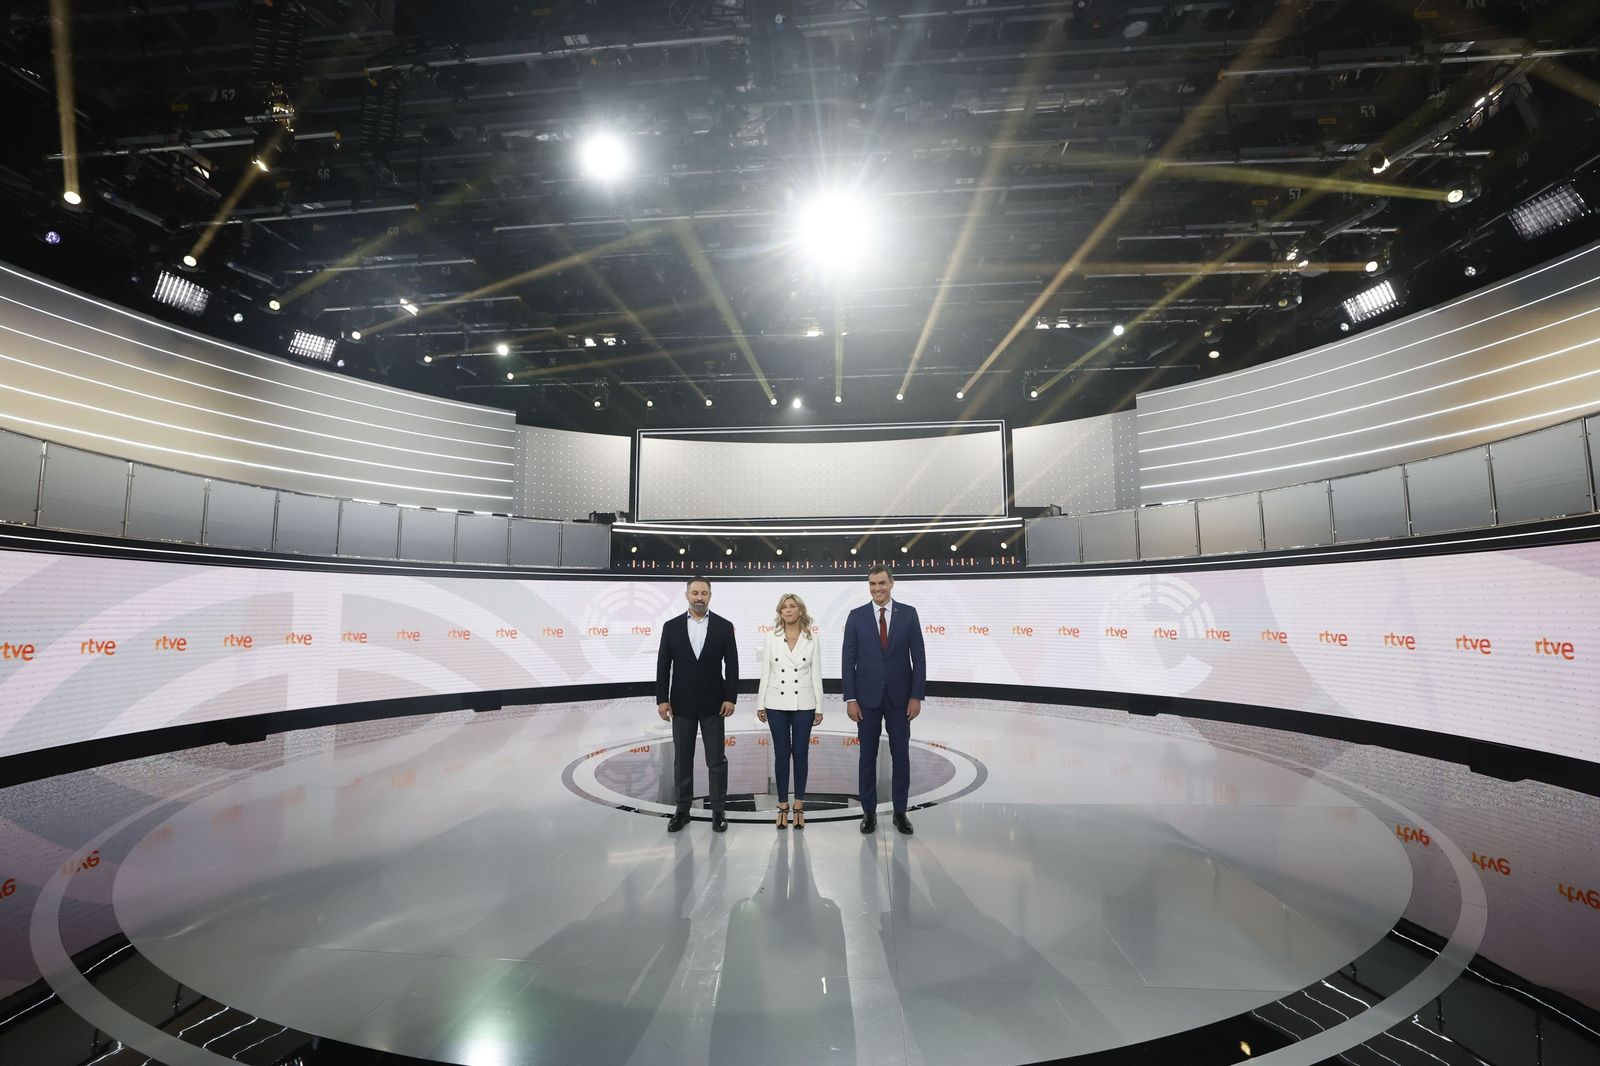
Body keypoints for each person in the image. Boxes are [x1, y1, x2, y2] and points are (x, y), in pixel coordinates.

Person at [841, 566, 926, 835]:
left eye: (881, 583)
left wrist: (916, 695)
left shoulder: (909, 614)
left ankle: (900, 812)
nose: (877, 588)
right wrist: (851, 698)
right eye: (872, 584)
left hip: (901, 699)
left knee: (901, 755)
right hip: (866, 699)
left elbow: (919, 658)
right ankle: (869, 811)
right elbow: (848, 661)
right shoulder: (856, 617)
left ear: (892, 583)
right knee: (867, 756)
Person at [656, 576, 739, 833]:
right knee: (683, 760)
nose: (699, 597)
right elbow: (663, 665)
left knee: (716, 760)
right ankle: (682, 810)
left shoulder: (724, 627)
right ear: (687, 595)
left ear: (710, 596)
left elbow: (732, 665)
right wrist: (662, 699)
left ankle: (718, 811)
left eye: (704, 593)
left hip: (715, 704)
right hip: (681, 704)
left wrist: (730, 697)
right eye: (695, 593)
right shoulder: (671, 627)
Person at [756, 593, 825, 830]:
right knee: (781, 754)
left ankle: (799, 805)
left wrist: (820, 706)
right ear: (780, 612)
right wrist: (760, 703)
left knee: (801, 754)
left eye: (792, 606)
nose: (787, 610)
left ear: (800, 611)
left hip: (804, 703)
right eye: (784, 607)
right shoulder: (771, 637)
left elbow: (816, 673)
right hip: (776, 702)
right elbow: (766, 671)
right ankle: (782, 805)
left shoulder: (811, 638)